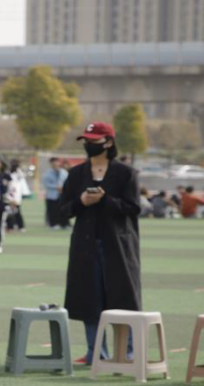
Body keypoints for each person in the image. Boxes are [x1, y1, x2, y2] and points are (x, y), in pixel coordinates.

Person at [57, 122, 141, 364]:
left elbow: (133, 208)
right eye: (86, 141)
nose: (88, 145)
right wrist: (81, 202)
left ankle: (127, 353)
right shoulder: (76, 173)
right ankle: (95, 353)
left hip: (118, 246)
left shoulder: (126, 173)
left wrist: (105, 200)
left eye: (93, 141)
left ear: (108, 142)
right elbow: (63, 210)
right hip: (86, 246)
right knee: (89, 299)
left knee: (123, 297)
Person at [42, 157, 69, 229]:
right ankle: (53, 224)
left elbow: (68, 182)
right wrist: (56, 187)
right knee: (52, 210)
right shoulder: (47, 174)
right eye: (53, 163)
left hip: (62, 194)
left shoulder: (64, 172)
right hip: (51, 195)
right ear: (51, 164)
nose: (55, 164)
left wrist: (63, 187)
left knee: (63, 209)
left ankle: (64, 224)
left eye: (56, 162)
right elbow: (46, 184)